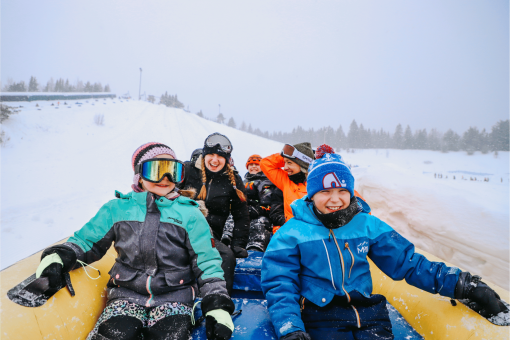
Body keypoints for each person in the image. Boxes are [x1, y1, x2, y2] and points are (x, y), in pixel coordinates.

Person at [261, 150, 507, 340]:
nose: (335, 199)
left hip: (370, 315)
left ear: (351, 192)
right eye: (325, 191)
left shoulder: (366, 226)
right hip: (321, 316)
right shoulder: (291, 233)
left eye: (342, 191)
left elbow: (408, 262)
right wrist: (290, 327)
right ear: (311, 194)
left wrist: (462, 284)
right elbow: (280, 283)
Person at [34, 142, 235, 340]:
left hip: (175, 296)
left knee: (170, 335)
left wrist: (217, 304)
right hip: (126, 294)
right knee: (114, 334)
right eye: (156, 170)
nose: (165, 178)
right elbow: (87, 241)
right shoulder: (117, 209)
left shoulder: (189, 214)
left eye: (172, 170)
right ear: (139, 175)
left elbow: (207, 262)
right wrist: (60, 256)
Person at [178, 133, 250, 295]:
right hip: (178, 230)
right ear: (204, 155)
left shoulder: (233, 181)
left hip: (208, 237)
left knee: (227, 256)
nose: (215, 160)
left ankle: (219, 300)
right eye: (210, 154)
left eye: (220, 156)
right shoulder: (186, 170)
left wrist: (239, 244)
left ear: (227, 158)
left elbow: (241, 215)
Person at [260, 142, 315, 223]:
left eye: (289, 163)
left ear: (303, 164)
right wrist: (285, 157)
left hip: (314, 232)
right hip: (291, 231)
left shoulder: (317, 182)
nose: (285, 167)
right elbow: (265, 163)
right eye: (284, 162)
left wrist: (307, 159)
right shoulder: (286, 180)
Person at [243, 154, 274, 251]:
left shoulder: (266, 182)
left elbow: (268, 202)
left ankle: (255, 247)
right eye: (251, 165)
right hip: (243, 212)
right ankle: (227, 240)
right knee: (232, 219)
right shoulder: (243, 182)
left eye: (256, 164)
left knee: (259, 222)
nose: (253, 167)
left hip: (261, 213)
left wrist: (257, 209)